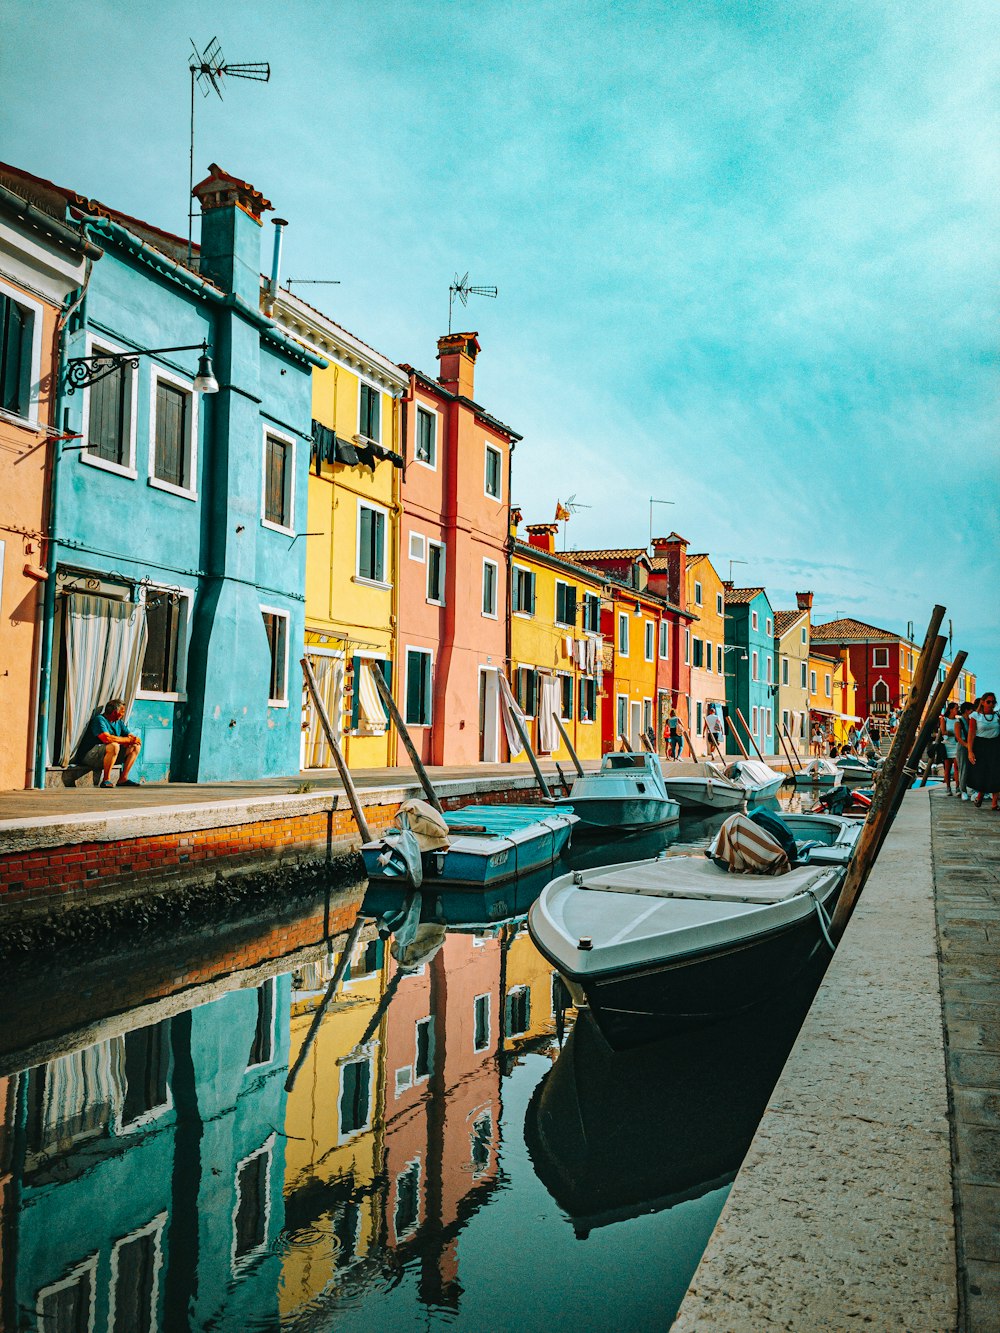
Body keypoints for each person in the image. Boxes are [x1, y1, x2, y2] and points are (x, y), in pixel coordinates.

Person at [73, 699, 142, 788]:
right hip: (90, 756)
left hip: (107, 756)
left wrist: (131, 740)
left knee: (135, 746)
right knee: (114, 746)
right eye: (122, 711)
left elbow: (132, 738)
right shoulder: (99, 720)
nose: (123, 714)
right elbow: (107, 738)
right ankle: (106, 780)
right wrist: (127, 740)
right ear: (114, 712)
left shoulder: (119, 722)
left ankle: (123, 779)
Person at [967, 692, 1000, 811]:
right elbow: (971, 734)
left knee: (996, 772)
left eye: (993, 702)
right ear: (983, 702)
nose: (991, 704)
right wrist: (970, 751)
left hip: (995, 745)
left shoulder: (997, 716)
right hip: (980, 745)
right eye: (988, 702)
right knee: (983, 772)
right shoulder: (975, 716)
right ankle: (980, 794)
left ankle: (994, 803)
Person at [939, 702, 961, 794]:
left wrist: (953, 734)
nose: (957, 710)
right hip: (947, 745)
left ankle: (957, 787)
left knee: (957, 767)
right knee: (947, 768)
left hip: (955, 745)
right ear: (951, 709)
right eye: (956, 708)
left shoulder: (958, 721)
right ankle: (948, 787)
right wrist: (954, 734)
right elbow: (943, 732)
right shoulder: (944, 719)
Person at [956, 701, 975, 801]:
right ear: (967, 710)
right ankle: (963, 790)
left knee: (972, 768)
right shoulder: (959, 722)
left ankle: (972, 789)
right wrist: (967, 746)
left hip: (971, 747)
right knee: (963, 768)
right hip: (963, 748)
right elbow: (959, 738)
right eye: (971, 710)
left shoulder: (972, 721)